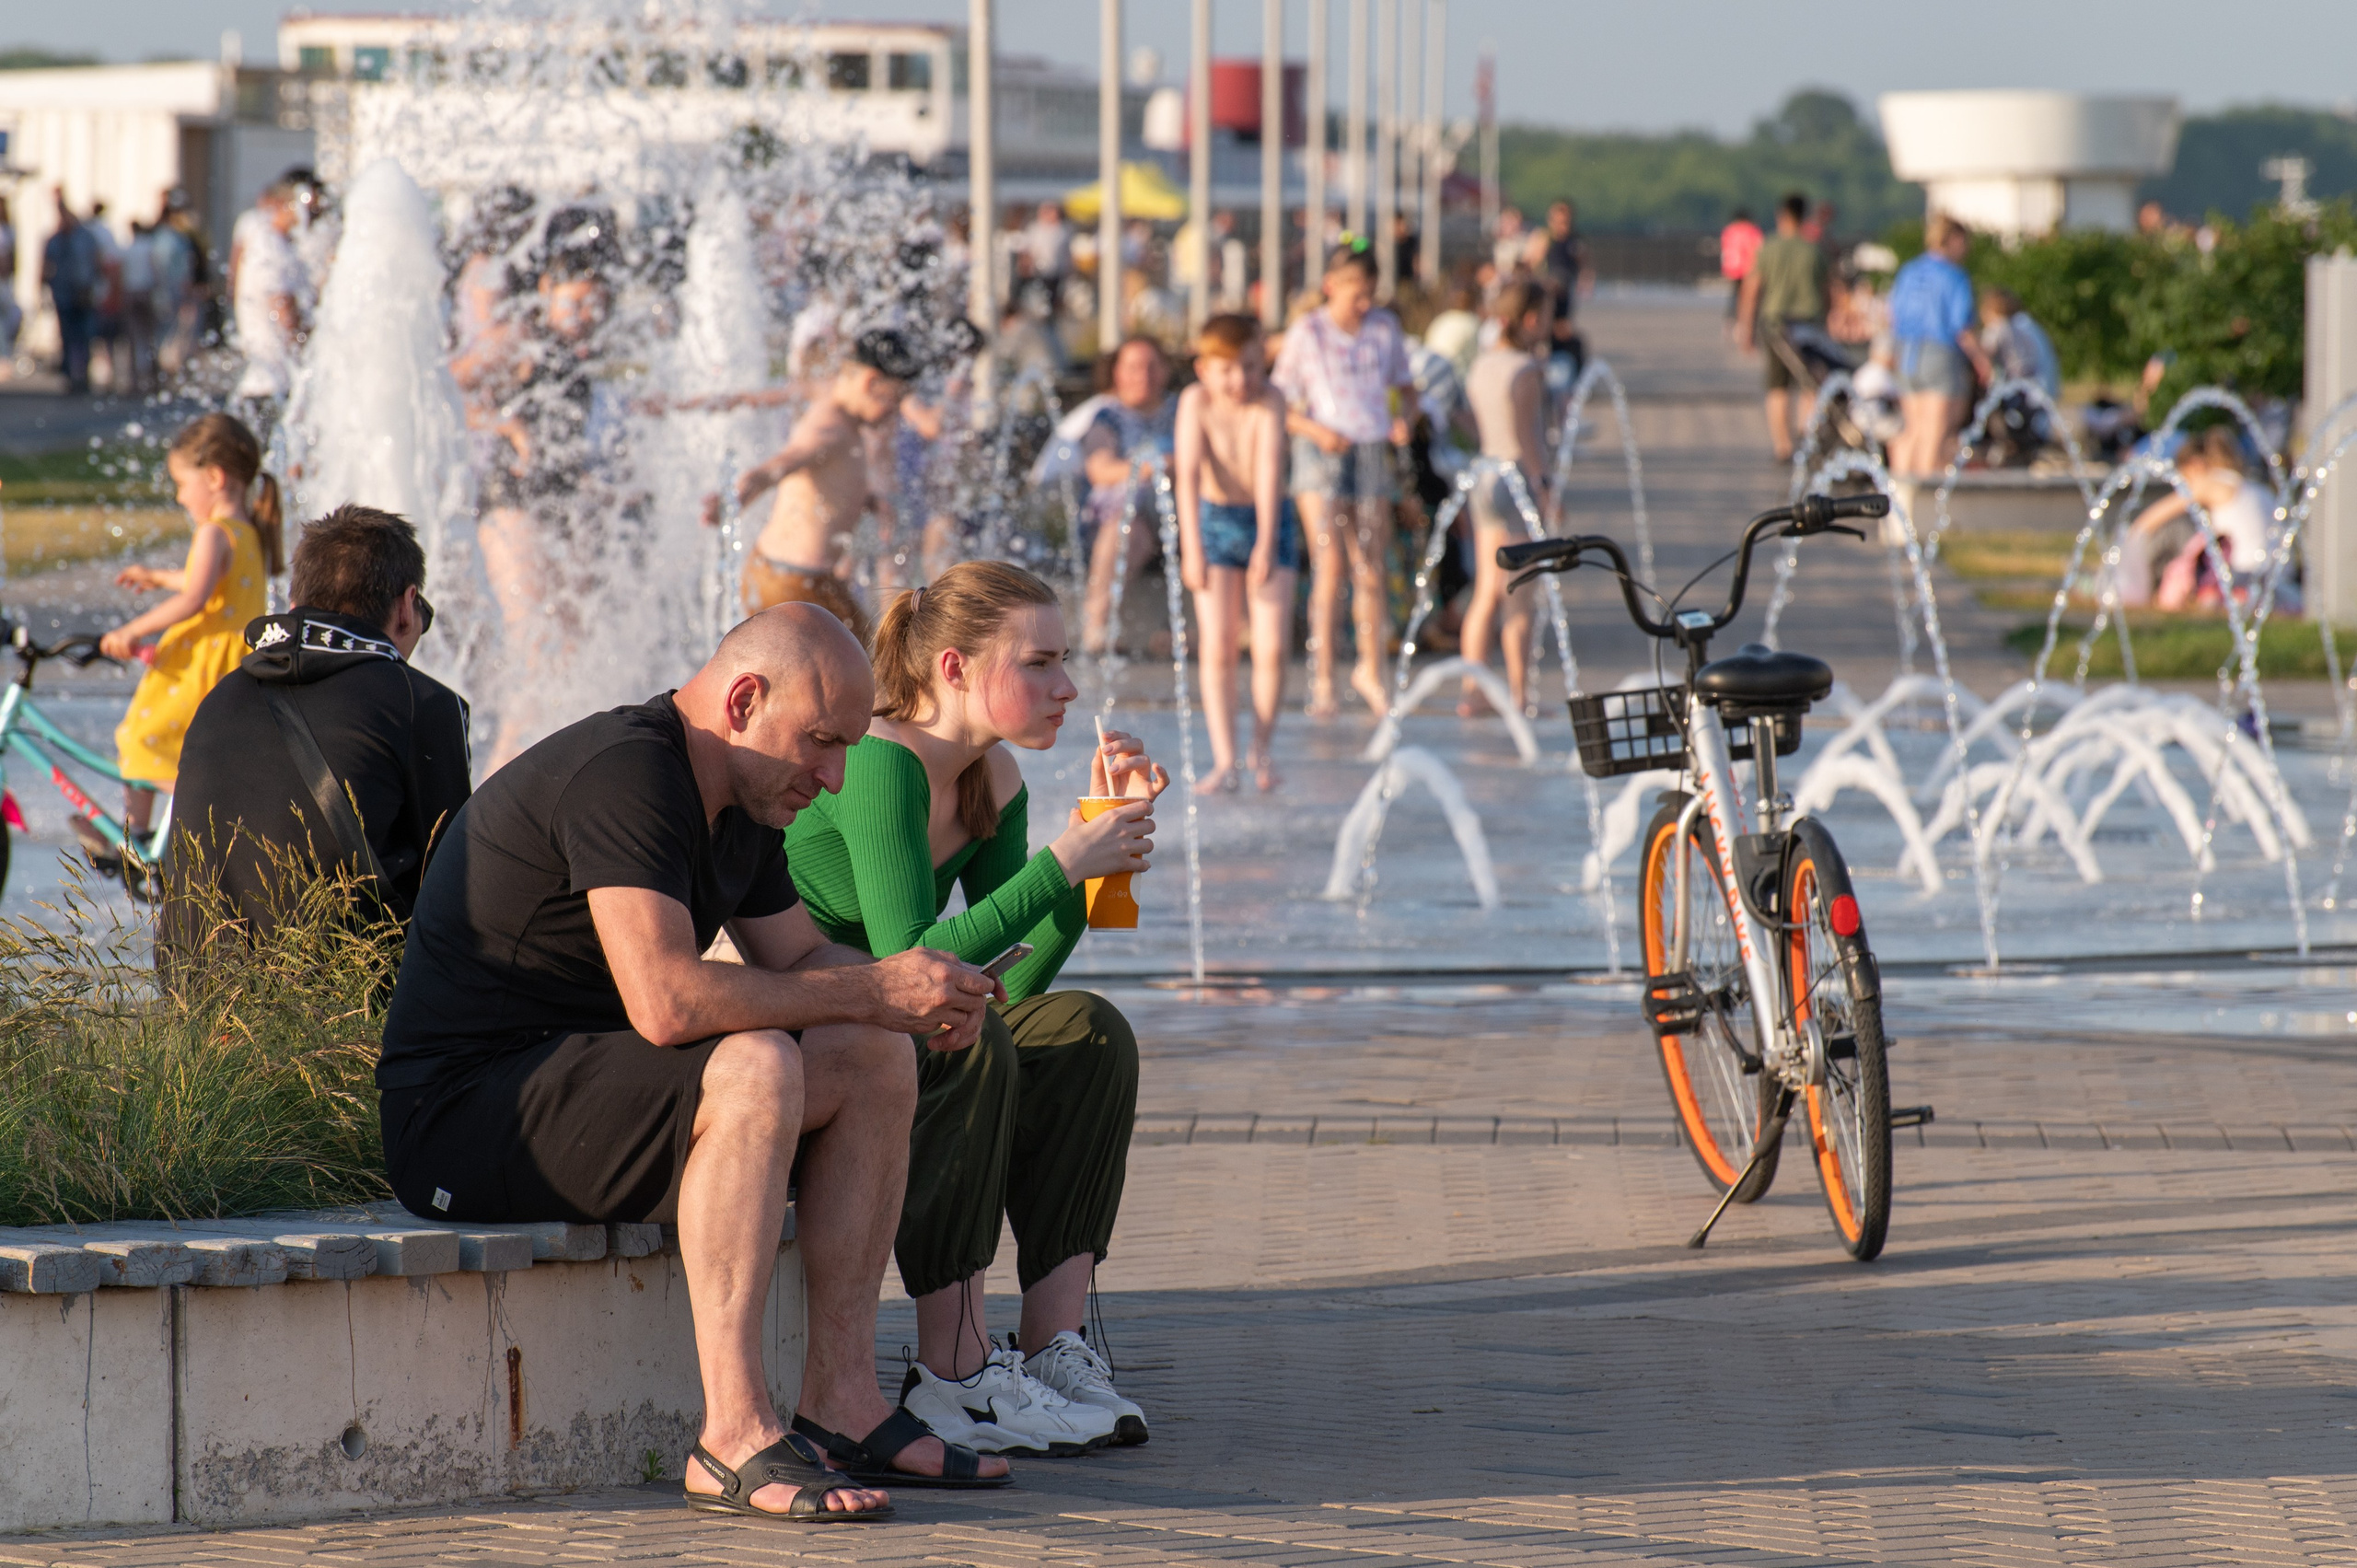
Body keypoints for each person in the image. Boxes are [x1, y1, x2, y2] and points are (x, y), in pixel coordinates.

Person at [382, 604, 1016, 1519]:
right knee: (756, 1062)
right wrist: (870, 991)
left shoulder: (744, 794)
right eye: (821, 743)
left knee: (875, 1052)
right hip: (465, 1115)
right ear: (744, 698)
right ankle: (729, 1435)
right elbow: (668, 1001)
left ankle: (841, 1400)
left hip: (578, 1085)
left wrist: (916, 990)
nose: (833, 779)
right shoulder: (630, 772)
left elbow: (803, 963)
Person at [783, 563, 1161, 1457]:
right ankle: (954, 1372)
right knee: (969, 1033)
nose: (1066, 687)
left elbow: (1008, 985)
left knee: (1085, 1030)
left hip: (903, 1023)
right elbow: (910, 962)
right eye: (1038, 663)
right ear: (952, 669)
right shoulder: (880, 763)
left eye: (1063, 661)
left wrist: (1099, 864)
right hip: (809, 1028)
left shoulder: (993, 775)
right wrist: (1069, 859)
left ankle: (1053, 1347)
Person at [167, 505, 470, 942]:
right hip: (342, 997)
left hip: (197, 993)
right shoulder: (421, 702)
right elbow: (451, 882)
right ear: (406, 607)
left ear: (294, 605)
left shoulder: (220, 697)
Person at [97, 414, 283, 863]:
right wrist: (158, 577)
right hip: (232, 665)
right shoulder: (249, 532)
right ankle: (153, 835)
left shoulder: (213, 532)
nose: (180, 496)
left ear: (214, 477)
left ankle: (146, 834)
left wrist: (130, 630)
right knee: (187, 750)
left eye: (183, 483)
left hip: (198, 665)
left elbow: (196, 598)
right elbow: (209, 583)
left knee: (142, 738)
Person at [1272, 238, 1418, 717]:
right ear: (1330, 286)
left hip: (1371, 446)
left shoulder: (1383, 328)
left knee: (1370, 564)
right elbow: (1281, 401)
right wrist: (1314, 428)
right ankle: (1323, 677)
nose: (1363, 303)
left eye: (1369, 292)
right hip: (1321, 451)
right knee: (1330, 564)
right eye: (1355, 291)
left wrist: (1406, 422)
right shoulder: (1307, 332)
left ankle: (1370, 667)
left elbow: (1406, 389)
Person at [713, 329, 922, 648]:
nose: (895, 412)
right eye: (894, 399)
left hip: (802, 577)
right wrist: (737, 497)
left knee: (873, 660)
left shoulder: (841, 414)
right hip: (789, 582)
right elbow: (782, 464)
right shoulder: (831, 427)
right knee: (860, 669)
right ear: (870, 383)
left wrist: (867, 501)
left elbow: (824, 481)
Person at [1176, 315, 1301, 794]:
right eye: (1227, 369)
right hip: (1213, 521)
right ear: (1203, 368)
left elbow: (1270, 469)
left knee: (1270, 645)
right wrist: (1192, 546)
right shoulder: (1195, 401)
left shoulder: (1271, 400)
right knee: (1219, 644)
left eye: (1251, 367)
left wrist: (1267, 543)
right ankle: (1225, 759)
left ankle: (1260, 751)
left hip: (1268, 519)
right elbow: (1186, 474)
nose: (1240, 380)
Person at [1457, 281, 1550, 720]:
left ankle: (1471, 689)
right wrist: (1545, 489)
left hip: (1483, 475)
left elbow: (1474, 425)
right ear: (1530, 319)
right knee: (1518, 596)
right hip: (1515, 479)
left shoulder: (1484, 364)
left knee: (1485, 593)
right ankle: (1519, 696)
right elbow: (1528, 435)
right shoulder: (1525, 369)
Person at [1077, 336, 1176, 655]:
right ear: (1117, 373)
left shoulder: (1182, 409)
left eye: (1151, 366)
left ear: (1165, 371)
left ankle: (1198, 631)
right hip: (1127, 512)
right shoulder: (1107, 416)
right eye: (1133, 367)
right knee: (1127, 529)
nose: (1143, 376)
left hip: (1184, 509)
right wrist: (1151, 468)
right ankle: (1098, 625)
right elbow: (1099, 468)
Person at [2122, 427, 2277, 611]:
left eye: (2184, 478)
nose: (2183, 486)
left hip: (2241, 575)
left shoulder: (2210, 483)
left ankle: (2139, 591)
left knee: (2175, 529)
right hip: (2277, 576)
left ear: (2196, 465)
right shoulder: (2254, 487)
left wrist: (2127, 543)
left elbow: (2148, 520)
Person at [1887, 214, 1991, 479]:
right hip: (1940, 356)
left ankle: (1897, 503)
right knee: (1936, 435)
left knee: (1912, 431)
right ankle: (1922, 509)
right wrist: (1984, 362)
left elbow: (1892, 316)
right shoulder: (1955, 277)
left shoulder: (1909, 271)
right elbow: (1962, 328)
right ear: (1954, 240)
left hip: (1906, 353)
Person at [1733, 192, 1831, 463]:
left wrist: (1745, 328)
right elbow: (1827, 291)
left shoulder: (1768, 248)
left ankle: (1783, 447)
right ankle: (1805, 433)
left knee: (1777, 386)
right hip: (1809, 323)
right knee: (1810, 383)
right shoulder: (1813, 249)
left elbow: (1751, 290)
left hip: (1776, 325)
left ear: (1782, 216)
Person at [228, 181, 306, 413]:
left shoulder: (270, 242)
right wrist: (303, 340)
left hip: (267, 377)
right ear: (284, 205)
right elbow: (283, 308)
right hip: (271, 381)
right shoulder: (270, 246)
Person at [40, 191, 100, 395]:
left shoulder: (85, 238)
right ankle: (70, 375)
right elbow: (46, 265)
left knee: (84, 336)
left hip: (84, 293)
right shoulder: (55, 240)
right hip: (63, 294)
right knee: (67, 336)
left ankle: (83, 374)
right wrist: (43, 287)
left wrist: (97, 286)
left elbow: (96, 262)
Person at [1538, 200, 1588, 385]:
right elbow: (1533, 262)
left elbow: (1584, 263)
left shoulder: (1574, 241)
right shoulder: (1544, 238)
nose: (1562, 226)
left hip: (1564, 293)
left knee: (1562, 329)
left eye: (1565, 222)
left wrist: (1585, 282)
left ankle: (1568, 375)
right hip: (1546, 293)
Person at [1719, 207, 1763, 343]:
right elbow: (1758, 249)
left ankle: (1730, 322)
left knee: (1734, 296)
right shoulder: (1752, 230)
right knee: (1748, 299)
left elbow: (1725, 249)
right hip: (1748, 269)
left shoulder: (1729, 230)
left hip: (1732, 269)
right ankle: (1743, 327)